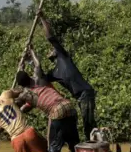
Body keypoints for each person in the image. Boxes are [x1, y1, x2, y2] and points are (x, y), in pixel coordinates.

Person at [15, 46, 79, 152]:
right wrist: (31, 51)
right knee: (72, 140)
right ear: (29, 76)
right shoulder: (39, 78)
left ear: (21, 86)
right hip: (69, 106)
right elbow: (37, 63)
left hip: (56, 111)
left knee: (52, 146)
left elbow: (19, 105)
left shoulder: (25, 94)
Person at [36, 10, 97, 140]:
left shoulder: (63, 56)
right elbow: (40, 77)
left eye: (51, 49)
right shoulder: (54, 73)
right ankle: (92, 145)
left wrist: (42, 18)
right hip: (80, 97)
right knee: (87, 124)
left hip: (85, 93)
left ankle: (94, 148)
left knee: (88, 124)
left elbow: (49, 36)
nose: (50, 50)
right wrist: (32, 57)